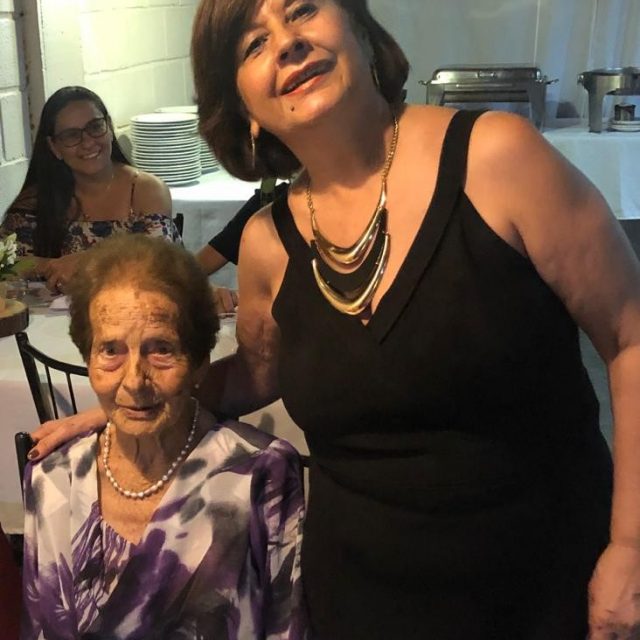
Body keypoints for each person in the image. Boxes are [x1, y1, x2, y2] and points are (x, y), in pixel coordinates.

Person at [29, 1, 640, 638]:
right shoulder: (269, 241)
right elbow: (254, 377)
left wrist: (631, 545)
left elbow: (630, 338)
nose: (286, 44)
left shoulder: (497, 159)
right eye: (253, 45)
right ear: (241, 107)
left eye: (302, 11)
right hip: (358, 598)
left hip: (548, 584)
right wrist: (130, 400)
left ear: (360, 30)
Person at [21, 234, 306, 639]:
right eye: (110, 351)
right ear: (87, 358)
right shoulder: (52, 478)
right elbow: (41, 627)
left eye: (162, 350)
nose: (135, 381)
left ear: (200, 363)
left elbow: (286, 627)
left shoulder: (260, 475)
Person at [0, 86, 178, 293]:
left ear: (109, 127)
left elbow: (157, 263)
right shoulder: (37, 199)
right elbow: (6, 262)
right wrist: (53, 265)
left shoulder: (146, 190)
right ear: (54, 147)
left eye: (95, 127)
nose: (87, 142)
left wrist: (89, 260)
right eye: (71, 136)